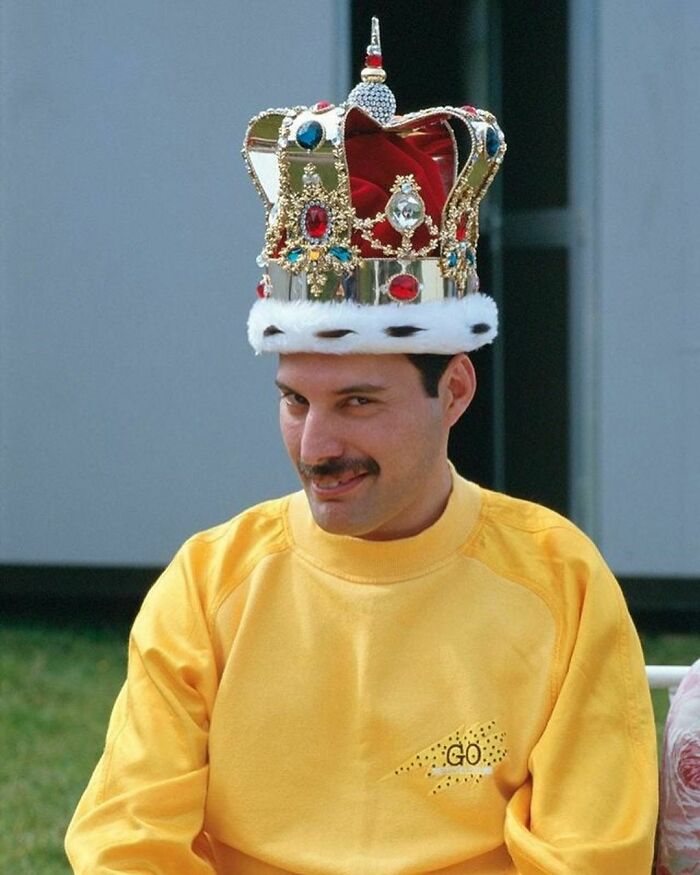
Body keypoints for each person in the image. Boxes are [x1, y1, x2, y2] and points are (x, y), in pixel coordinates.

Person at [66, 19, 658, 875]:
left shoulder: (560, 582)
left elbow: (589, 857)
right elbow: (125, 845)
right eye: (293, 400)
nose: (315, 443)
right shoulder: (207, 586)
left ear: (453, 390)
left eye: (357, 401)